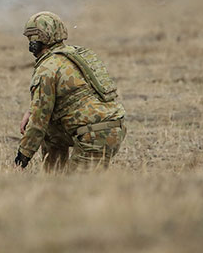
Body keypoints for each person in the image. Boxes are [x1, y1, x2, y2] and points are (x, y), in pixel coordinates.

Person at [15, 11, 126, 171]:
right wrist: (31, 111)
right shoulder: (76, 55)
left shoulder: (47, 68)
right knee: (51, 133)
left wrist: (21, 158)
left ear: (36, 39)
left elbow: (38, 122)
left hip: (94, 136)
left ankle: (57, 183)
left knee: (77, 191)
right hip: (112, 127)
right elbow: (53, 102)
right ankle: (54, 177)